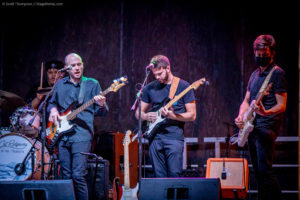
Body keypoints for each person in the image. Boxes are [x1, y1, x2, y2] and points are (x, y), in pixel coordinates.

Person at [48, 53, 108, 200]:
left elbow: (103, 112)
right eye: (73, 65)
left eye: (79, 64)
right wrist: (53, 110)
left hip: (82, 135)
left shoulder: (92, 84)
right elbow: (51, 102)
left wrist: (101, 105)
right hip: (62, 136)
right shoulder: (60, 84)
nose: (77, 68)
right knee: (66, 176)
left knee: (78, 175)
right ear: (66, 68)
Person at [235, 35, 287, 200]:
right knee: (258, 173)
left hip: (266, 127)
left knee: (265, 172)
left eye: (264, 54)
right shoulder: (254, 75)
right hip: (252, 127)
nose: (260, 57)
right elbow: (246, 100)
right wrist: (241, 115)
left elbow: (282, 104)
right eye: (258, 53)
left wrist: (266, 112)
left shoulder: (277, 73)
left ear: (272, 53)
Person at [135, 55, 196, 177]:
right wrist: (146, 116)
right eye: (155, 74)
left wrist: (171, 116)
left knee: (174, 175)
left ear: (168, 68)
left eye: (160, 73)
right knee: (159, 176)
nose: (157, 77)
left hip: (174, 138)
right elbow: (138, 113)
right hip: (154, 138)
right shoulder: (149, 88)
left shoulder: (183, 86)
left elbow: (192, 115)